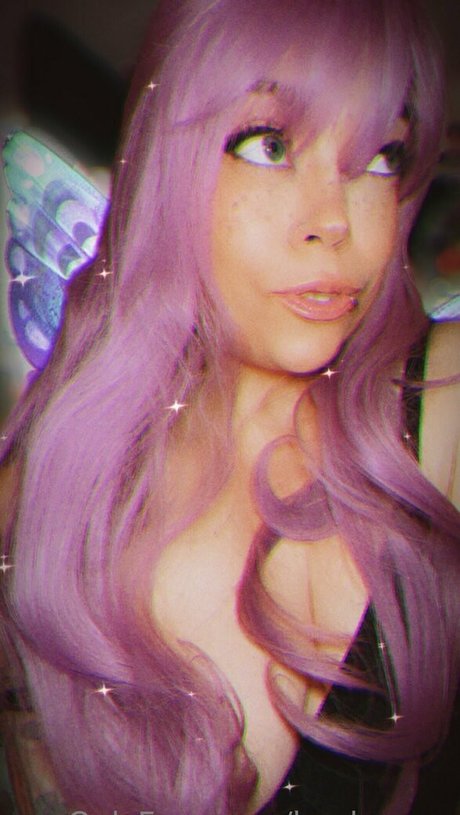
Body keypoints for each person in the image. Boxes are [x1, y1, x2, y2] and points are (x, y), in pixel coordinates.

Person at [1, 0, 460, 813]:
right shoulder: (42, 499)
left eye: (380, 156)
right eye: (270, 145)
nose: (333, 221)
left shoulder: (440, 400)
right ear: (165, 163)